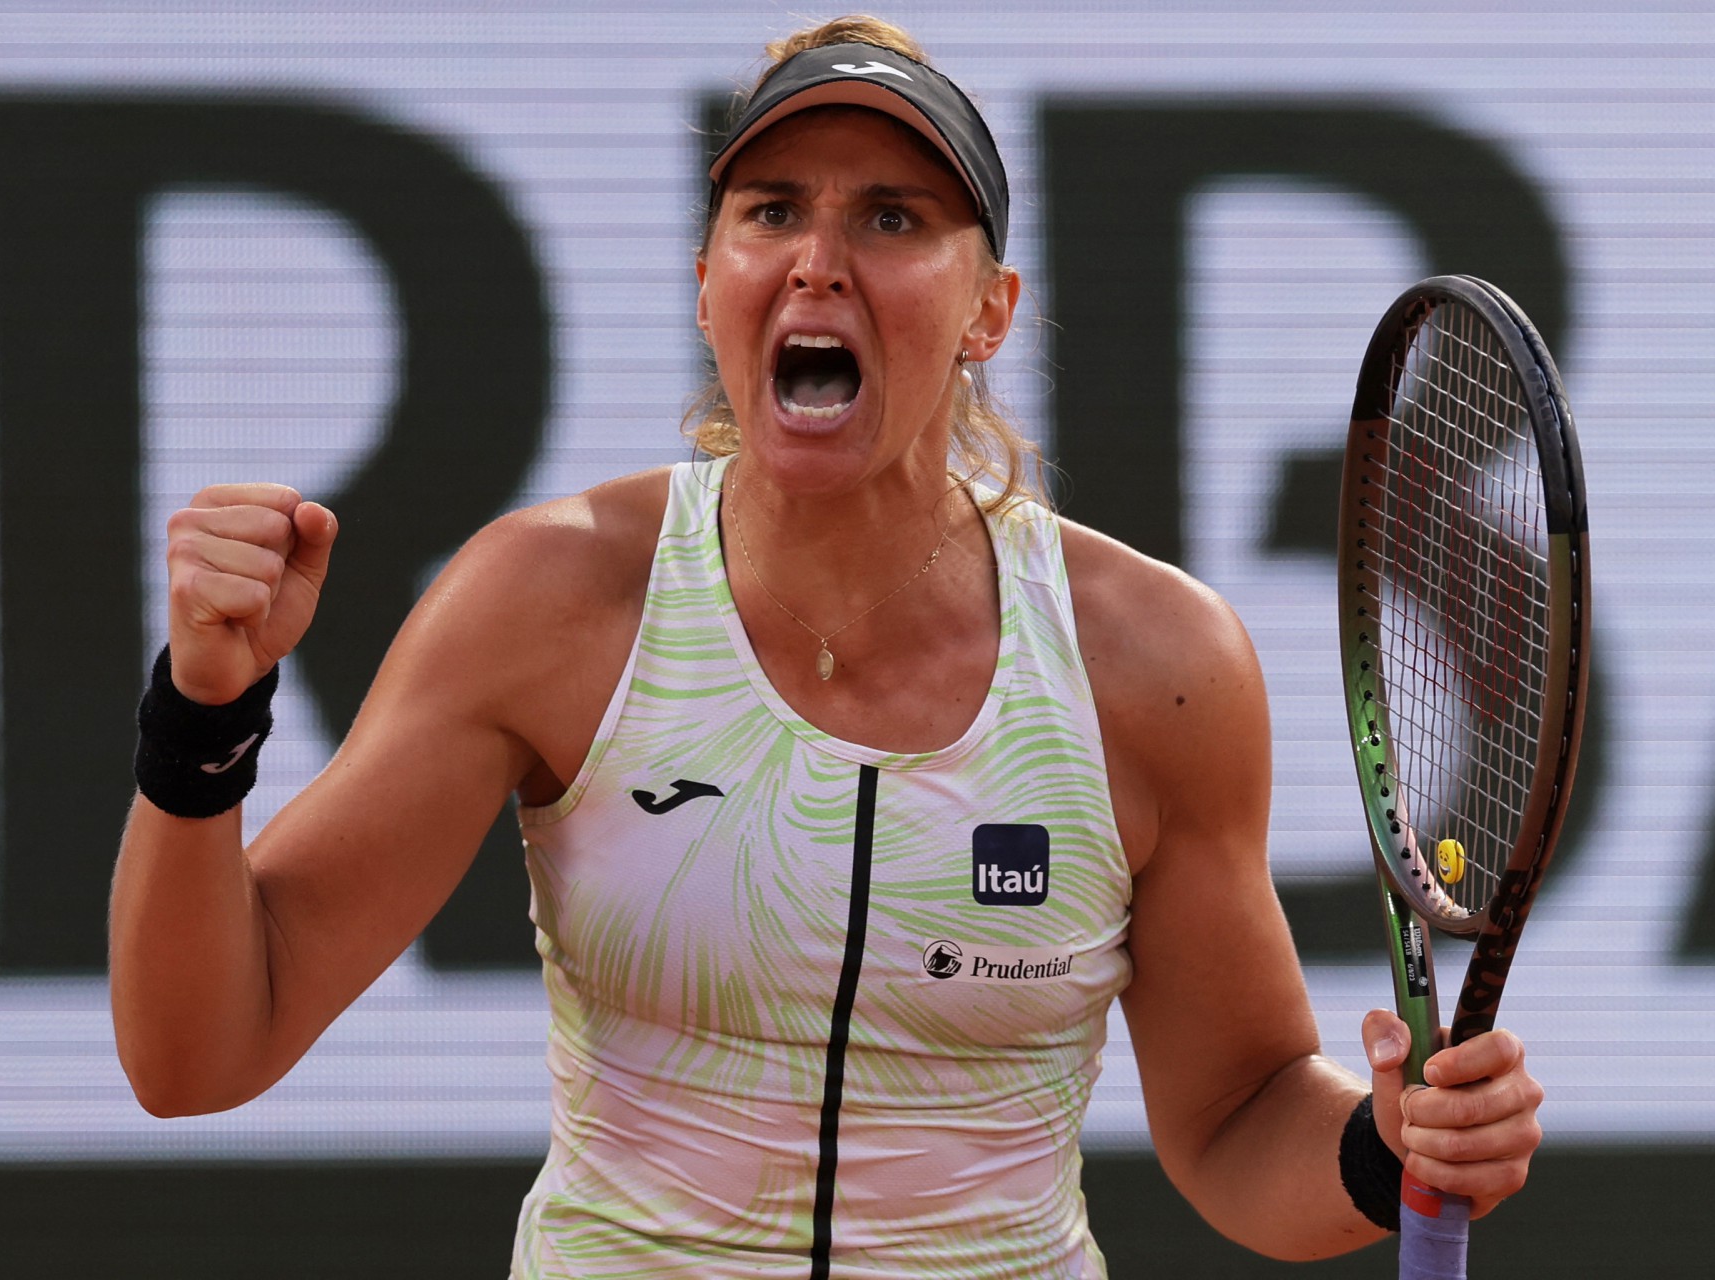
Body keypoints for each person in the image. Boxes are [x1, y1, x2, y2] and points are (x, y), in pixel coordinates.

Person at [109, 15, 1544, 1278]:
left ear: (992, 310)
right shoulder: (546, 603)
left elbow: (1237, 1123)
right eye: (771, 210)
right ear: (706, 281)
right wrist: (204, 713)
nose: (817, 262)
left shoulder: (1152, 665)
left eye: (894, 220)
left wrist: (1385, 1146)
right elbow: (201, 1051)